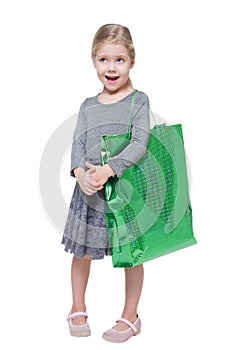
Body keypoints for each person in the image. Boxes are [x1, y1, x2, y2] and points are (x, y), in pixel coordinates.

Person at [62, 23, 150, 343]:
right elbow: (77, 146)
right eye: (104, 60)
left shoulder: (138, 101)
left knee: (131, 254)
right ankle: (77, 306)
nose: (111, 68)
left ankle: (130, 316)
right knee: (81, 252)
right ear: (94, 61)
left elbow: (140, 143)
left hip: (124, 193)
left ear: (132, 61)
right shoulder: (88, 105)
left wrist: (110, 169)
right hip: (89, 194)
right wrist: (80, 174)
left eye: (119, 60)